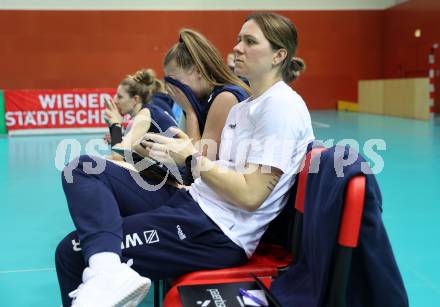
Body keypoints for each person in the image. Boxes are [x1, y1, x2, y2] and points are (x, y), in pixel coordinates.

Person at [55, 12, 315, 307]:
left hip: (217, 232)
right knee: (84, 169)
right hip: (194, 203)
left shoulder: (281, 107)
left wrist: (191, 157)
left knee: (72, 252)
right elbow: (215, 168)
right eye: (239, 40)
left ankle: (106, 272)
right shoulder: (248, 107)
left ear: (278, 55)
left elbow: (251, 195)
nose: (238, 48)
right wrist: (177, 155)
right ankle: (108, 273)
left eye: (250, 41)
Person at [162, 29, 250, 158]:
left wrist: (191, 113)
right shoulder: (200, 100)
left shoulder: (226, 97)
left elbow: (200, 167)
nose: (171, 89)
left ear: (198, 71)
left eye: (174, 80)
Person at [103, 69, 178, 150]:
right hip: (166, 161)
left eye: (120, 97)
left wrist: (115, 125)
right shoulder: (143, 115)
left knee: (88, 159)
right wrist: (117, 135)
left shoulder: (145, 114)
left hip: (177, 161)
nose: (115, 101)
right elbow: (128, 154)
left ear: (135, 99)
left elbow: (118, 156)